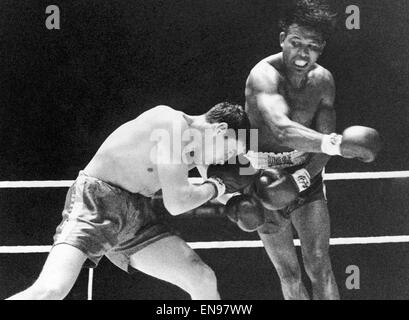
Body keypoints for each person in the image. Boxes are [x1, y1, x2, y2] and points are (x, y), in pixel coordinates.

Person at [7, 101, 252, 300]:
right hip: (96, 202)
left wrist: (255, 198)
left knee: (201, 277)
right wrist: (218, 185)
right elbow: (178, 203)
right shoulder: (171, 126)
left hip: (137, 214)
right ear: (220, 130)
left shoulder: (197, 149)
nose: (225, 160)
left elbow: (226, 191)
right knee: (51, 290)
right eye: (229, 151)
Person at [242, 0, 380, 300]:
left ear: (322, 47)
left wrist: (304, 177)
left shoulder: (323, 81)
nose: (303, 53)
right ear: (283, 40)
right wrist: (337, 144)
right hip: (262, 176)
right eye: (296, 42)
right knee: (289, 274)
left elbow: (324, 137)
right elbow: (281, 128)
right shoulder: (263, 75)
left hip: (307, 173)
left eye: (312, 45)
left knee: (320, 264)